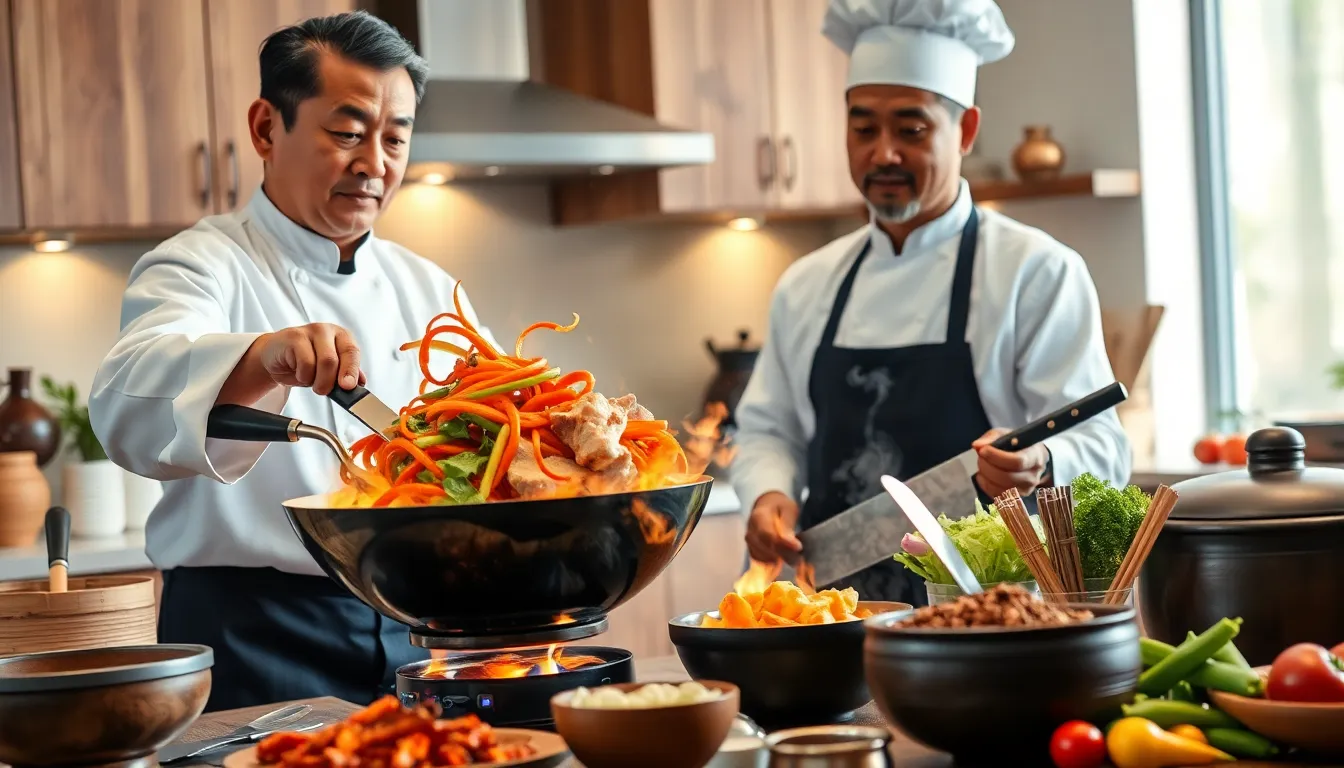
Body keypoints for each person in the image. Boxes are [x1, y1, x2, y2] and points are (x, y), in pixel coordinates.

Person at [89, 12, 491, 711]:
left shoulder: (433, 291)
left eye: (395, 138)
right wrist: (260, 356)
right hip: (252, 630)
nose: (376, 163)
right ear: (266, 128)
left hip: (417, 628)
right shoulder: (199, 265)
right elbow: (126, 402)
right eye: (347, 133)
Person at [732, 0, 1131, 605]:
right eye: (864, 129)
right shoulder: (807, 284)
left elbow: (1103, 449)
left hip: (983, 620)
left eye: (911, 131)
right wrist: (767, 494)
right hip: (829, 616)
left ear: (966, 130)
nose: (883, 153)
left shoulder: (1036, 272)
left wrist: (1041, 462)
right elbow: (768, 429)